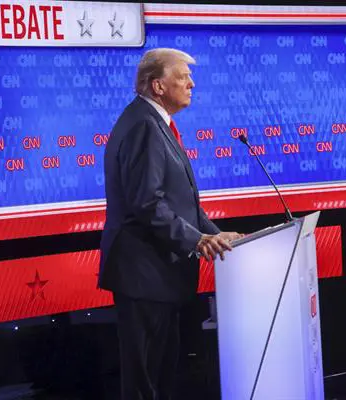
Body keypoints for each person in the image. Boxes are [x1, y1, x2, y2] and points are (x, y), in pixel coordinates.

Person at [99, 48, 241, 400]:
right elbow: (147, 203)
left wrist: (212, 233)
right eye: (182, 76)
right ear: (158, 85)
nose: (191, 83)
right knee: (145, 383)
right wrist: (196, 241)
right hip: (143, 274)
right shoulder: (143, 125)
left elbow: (180, 202)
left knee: (161, 378)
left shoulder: (153, 122)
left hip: (157, 275)